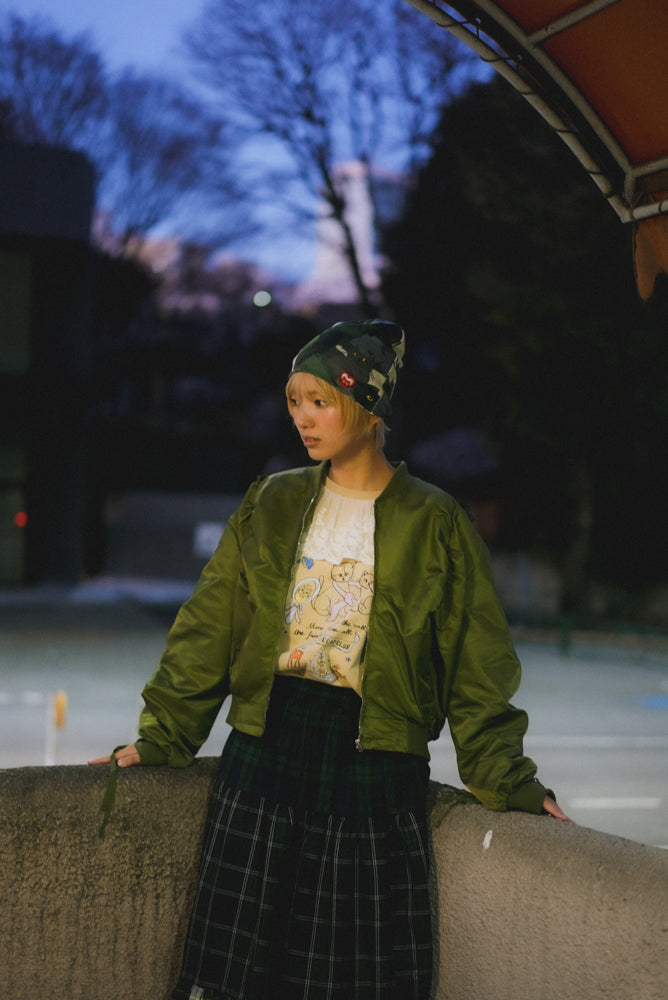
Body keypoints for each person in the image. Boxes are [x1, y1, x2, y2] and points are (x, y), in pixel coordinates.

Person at [91, 318, 570, 1000]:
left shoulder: (434, 520)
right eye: (295, 402)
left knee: (351, 973)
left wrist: (509, 779)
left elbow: (476, 661)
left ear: (369, 407)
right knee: (237, 971)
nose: (303, 419)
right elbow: (209, 627)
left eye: (320, 401)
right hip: (265, 747)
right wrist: (162, 735)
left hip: (374, 765)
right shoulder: (272, 499)